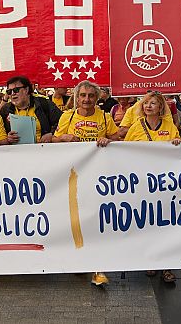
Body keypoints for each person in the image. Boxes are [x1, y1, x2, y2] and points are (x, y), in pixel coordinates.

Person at [53, 80, 120, 287]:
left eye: (91, 96)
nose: (87, 100)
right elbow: (54, 140)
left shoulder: (105, 117)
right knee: (75, 219)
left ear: (97, 98)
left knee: (96, 219)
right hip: (73, 177)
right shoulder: (67, 116)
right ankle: (79, 259)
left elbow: (117, 139)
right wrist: (64, 137)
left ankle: (98, 268)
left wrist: (109, 141)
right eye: (82, 95)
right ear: (76, 97)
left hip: (98, 177)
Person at [124, 91, 180, 283]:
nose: (148, 106)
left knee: (165, 224)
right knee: (148, 223)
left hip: (164, 183)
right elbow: (124, 151)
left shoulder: (169, 126)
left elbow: (178, 149)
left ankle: (167, 265)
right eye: (146, 103)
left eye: (153, 103)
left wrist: (176, 143)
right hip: (143, 183)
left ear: (161, 107)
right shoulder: (136, 126)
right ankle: (150, 261)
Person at [0, 76, 62, 144]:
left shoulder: (43, 104)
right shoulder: (5, 110)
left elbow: (62, 121)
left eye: (16, 90)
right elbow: (0, 133)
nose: (12, 93)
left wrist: (51, 134)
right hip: (16, 149)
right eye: (9, 91)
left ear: (26, 90)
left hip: (42, 148)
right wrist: (7, 138)